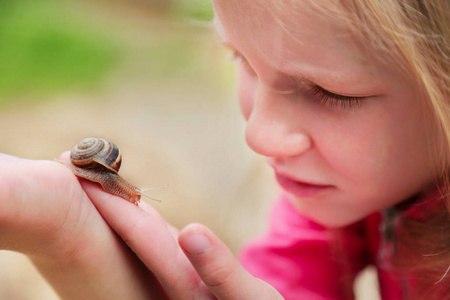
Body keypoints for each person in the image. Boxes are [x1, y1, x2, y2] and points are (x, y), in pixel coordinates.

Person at [0, 0, 448, 299]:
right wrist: (70, 238)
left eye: (330, 91)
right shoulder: (326, 203)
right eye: (240, 59)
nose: (257, 134)